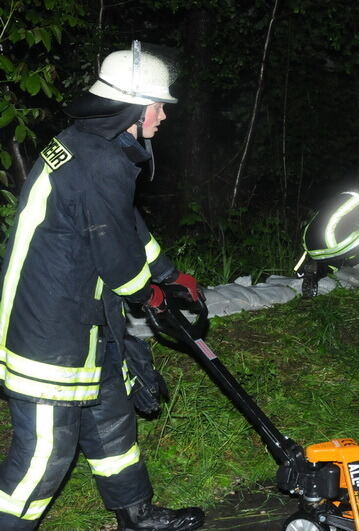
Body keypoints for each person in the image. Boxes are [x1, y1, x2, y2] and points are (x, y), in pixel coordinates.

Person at [0, 42, 205, 530]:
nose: (162, 115)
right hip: (48, 328)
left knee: (112, 419)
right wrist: (149, 296)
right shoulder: (99, 162)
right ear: (131, 108)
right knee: (44, 456)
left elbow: (124, 225)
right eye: (157, 105)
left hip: (84, 318)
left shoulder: (90, 145)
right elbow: (115, 261)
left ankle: (135, 515)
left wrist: (170, 274)